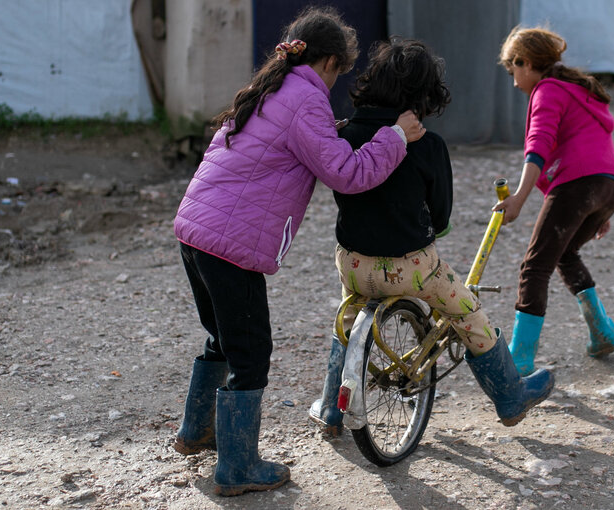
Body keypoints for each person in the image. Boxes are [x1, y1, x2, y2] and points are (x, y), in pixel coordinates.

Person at [171, 7, 425, 497]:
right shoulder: (305, 99)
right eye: (338, 72)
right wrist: (395, 137)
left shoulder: (273, 88)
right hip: (232, 245)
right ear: (328, 62)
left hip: (195, 232)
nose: (335, 82)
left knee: (222, 339)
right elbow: (348, 173)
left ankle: (197, 431)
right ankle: (237, 468)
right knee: (251, 353)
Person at [308, 37, 554, 438]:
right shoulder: (429, 145)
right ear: (425, 94)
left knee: (346, 321)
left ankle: (332, 409)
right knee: (469, 315)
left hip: (354, 265)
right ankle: (510, 396)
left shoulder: (346, 134)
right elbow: (440, 217)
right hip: (412, 268)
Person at [494, 27, 614, 376]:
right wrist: (600, 210)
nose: (514, 81)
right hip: (610, 187)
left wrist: (519, 199)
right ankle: (603, 331)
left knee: (535, 267)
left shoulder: (547, 90)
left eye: (513, 70)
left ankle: (519, 359)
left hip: (579, 185)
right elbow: (594, 148)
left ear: (525, 62)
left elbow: (538, 145)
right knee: (564, 253)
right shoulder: (581, 90)